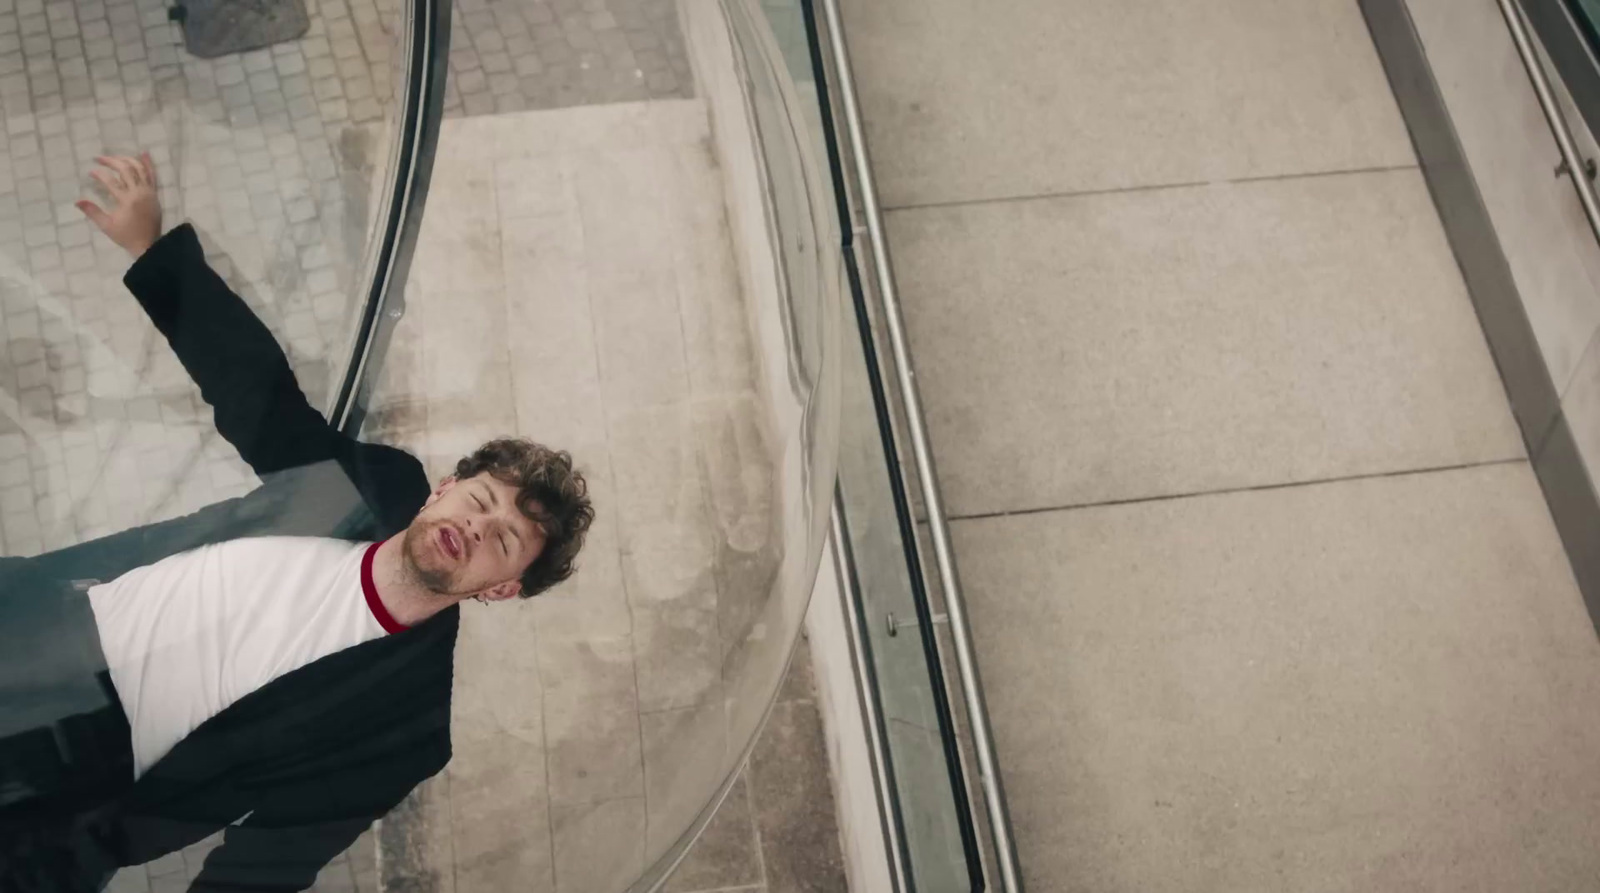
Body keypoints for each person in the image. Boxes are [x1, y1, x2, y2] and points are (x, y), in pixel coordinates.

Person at [0, 154, 595, 892]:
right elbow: (256, 391)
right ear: (443, 490)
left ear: (501, 589)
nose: (478, 526)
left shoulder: (407, 727)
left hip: (72, 781)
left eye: (504, 539)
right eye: (479, 501)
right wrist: (152, 249)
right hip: (42, 628)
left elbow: (270, 861)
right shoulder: (371, 484)